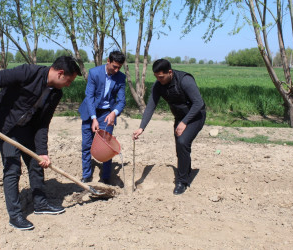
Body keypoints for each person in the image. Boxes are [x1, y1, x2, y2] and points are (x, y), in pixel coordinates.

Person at [0, 56, 82, 230]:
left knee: (36, 162)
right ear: (60, 73)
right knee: (13, 167)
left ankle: (40, 204)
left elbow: (43, 124)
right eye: (69, 80)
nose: (68, 85)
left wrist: (42, 152)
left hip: (26, 126)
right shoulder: (28, 73)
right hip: (4, 125)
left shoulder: (55, 93)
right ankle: (15, 216)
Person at [132, 59, 206, 195]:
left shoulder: (185, 80)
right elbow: (150, 107)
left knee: (183, 141)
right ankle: (187, 171)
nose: (159, 80)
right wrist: (141, 127)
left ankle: (182, 182)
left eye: (161, 77)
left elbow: (198, 103)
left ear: (170, 72)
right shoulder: (158, 85)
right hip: (180, 117)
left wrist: (184, 123)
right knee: (180, 146)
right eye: (156, 77)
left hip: (196, 116)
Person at [78, 50, 126, 184]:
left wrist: (114, 113)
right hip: (90, 112)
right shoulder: (94, 73)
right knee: (87, 145)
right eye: (114, 66)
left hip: (107, 114)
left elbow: (122, 101)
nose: (116, 70)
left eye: (119, 67)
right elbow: (89, 96)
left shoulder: (121, 78)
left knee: (106, 146)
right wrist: (93, 118)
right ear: (108, 61)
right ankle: (86, 175)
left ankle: (105, 178)